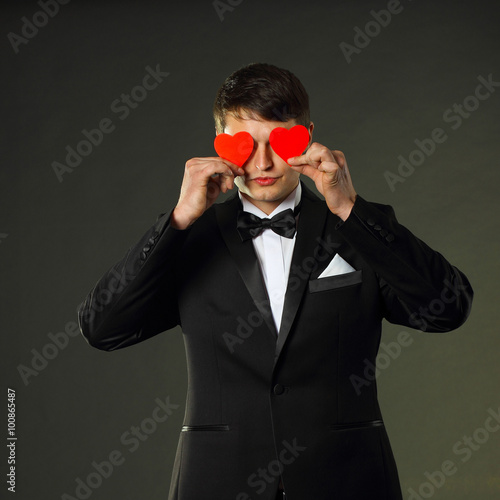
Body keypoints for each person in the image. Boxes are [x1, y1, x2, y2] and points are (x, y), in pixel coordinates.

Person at [78, 63, 473, 500]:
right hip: (217, 482)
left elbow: (449, 308)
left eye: (279, 141)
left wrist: (349, 208)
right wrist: (176, 221)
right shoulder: (189, 240)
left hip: (348, 480)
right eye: (245, 145)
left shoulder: (359, 227)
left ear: (307, 134)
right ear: (220, 143)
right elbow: (103, 328)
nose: (263, 162)